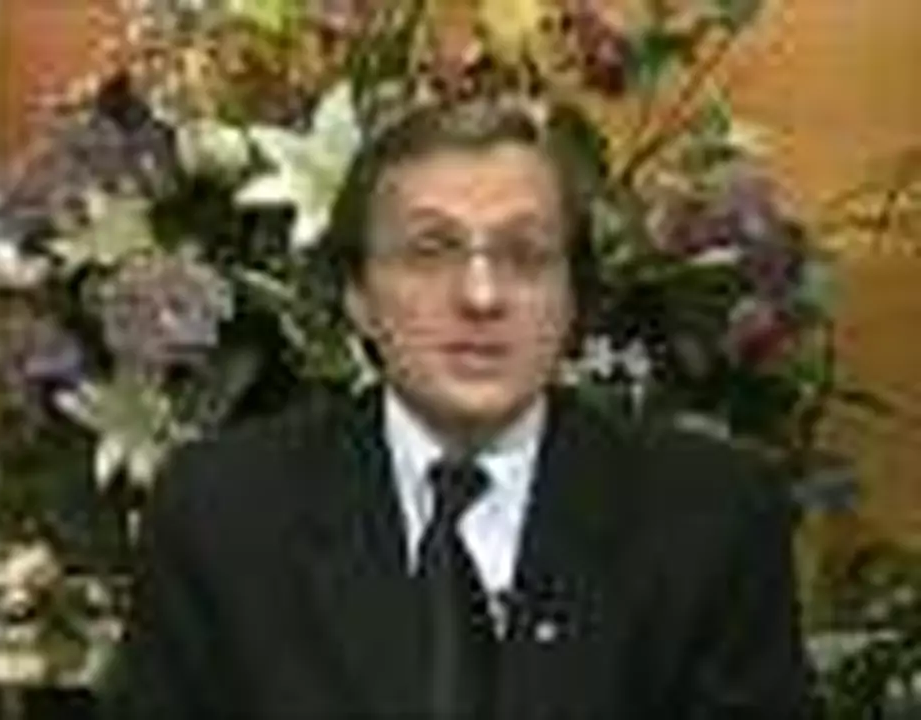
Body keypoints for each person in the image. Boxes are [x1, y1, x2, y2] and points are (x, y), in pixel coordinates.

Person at [99, 96, 808, 718]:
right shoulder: (223, 514)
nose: (481, 296)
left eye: (525, 255)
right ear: (358, 294)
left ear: (573, 297)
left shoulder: (711, 519)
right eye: (430, 251)